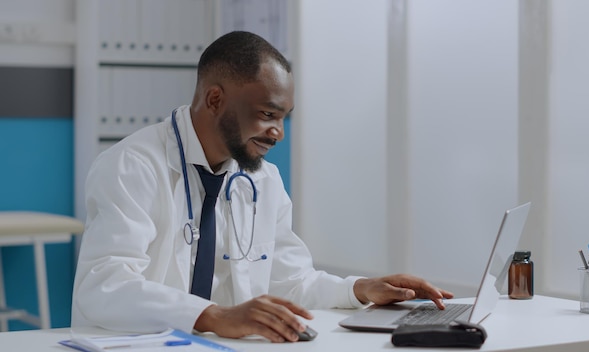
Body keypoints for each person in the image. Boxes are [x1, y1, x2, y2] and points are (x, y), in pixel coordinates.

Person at [71, 31, 453, 343]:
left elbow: (291, 280)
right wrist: (213, 316)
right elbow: (104, 284)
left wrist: (360, 290)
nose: (278, 133)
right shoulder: (132, 166)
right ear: (215, 99)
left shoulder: (261, 179)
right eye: (268, 114)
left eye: (284, 118)